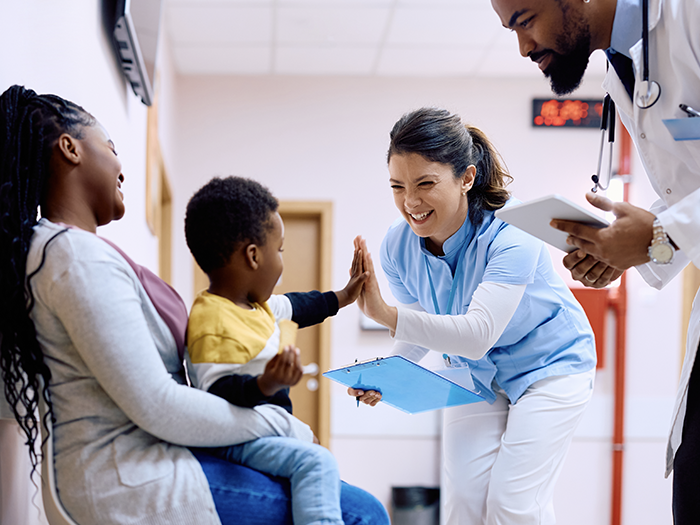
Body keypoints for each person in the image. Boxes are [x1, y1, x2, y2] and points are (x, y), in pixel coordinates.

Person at [0, 84, 390, 525]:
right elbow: (159, 405)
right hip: (128, 481)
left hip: (152, 460)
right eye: (110, 147)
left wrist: (341, 297)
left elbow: (294, 306)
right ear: (69, 149)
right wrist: (277, 424)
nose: (121, 167)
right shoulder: (72, 255)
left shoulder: (74, 253)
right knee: (363, 513)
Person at [489, 0, 700, 521]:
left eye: (524, 19)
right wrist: (626, 246)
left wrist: (659, 238)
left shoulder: (687, 16)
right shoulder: (627, 66)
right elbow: (688, 192)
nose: (522, 46)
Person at [349, 107, 597, 524]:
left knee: (513, 503)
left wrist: (384, 314)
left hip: (551, 366)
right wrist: (383, 375)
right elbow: (418, 329)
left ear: (466, 177)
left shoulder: (512, 232)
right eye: (397, 186)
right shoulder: (398, 245)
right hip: (476, 373)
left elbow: (477, 333)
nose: (410, 202)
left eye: (425, 183)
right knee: (463, 503)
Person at [183, 175, 368, 525]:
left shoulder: (258, 307)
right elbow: (215, 392)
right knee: (317, 462)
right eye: (279, 250)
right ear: (253, 256)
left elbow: (300, 306)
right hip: (234, 440)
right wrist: (265, 385)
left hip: (259, 430)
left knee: (315, 457)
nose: (281, 263)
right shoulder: (213, 318)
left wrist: (343, 297)